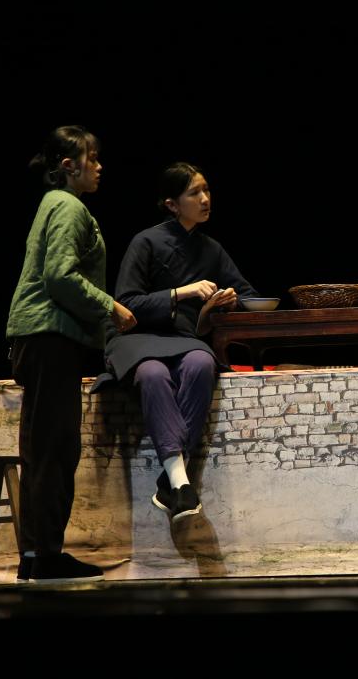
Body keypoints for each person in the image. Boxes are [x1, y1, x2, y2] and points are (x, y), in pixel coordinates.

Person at [6, 125, 137, 583]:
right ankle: (44, 556)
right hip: (49, 337)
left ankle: (37, 554)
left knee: (45, 448)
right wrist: (110, 305)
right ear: (69, 165)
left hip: (43, 337)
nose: (99, 167)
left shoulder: (54, 203)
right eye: (92, 159)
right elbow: (60, 276)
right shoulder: (67, 206)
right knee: (54, 449)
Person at [105, 162, 258, 522]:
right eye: (194, 193)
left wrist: (230, 300)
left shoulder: (211, 249)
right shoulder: (146, 241)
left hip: (183, 340)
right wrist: (181, 292)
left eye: (207, 190)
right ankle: (181, 483)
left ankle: (172, 482)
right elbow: (126, 303)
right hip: (138, 338)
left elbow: (249, 294)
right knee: (153, 374)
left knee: (202, 363)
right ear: (172, 204)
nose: (205, 199)